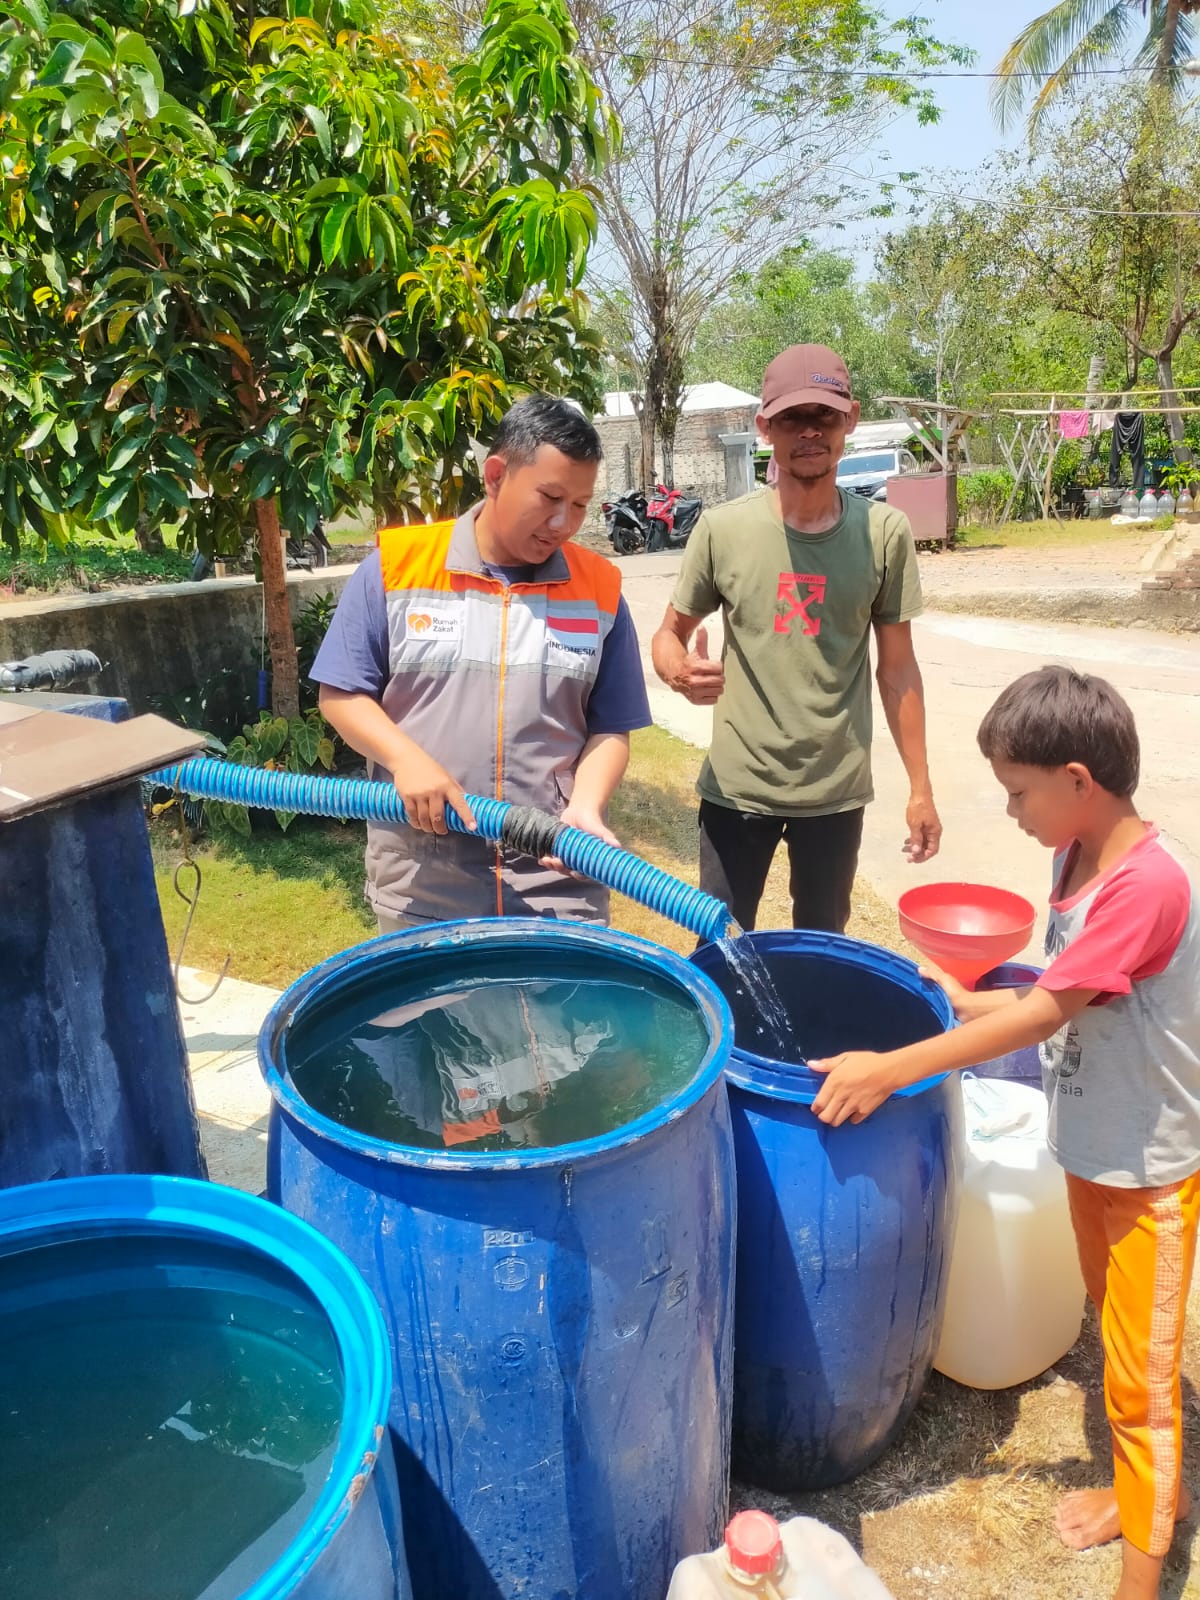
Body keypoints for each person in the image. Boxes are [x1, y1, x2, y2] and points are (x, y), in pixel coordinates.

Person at [812, 665, 1200, 1600]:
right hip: (1091, 1149)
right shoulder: (1078, 857)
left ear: (1078, 780)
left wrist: (893, 1067)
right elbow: (1051, 992)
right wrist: (968, 996)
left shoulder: (1145, 885)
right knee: (1116, 1337)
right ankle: (1147, 1490)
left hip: (1150, 1173)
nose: (1013, 812)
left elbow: (1044, 1018)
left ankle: (1139, 1581)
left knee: (1142, 1383)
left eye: (1019, 794)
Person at [311, 394, 652, 930]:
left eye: (582, 505)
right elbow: (342, 695)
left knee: (558, 1015)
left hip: (555, 877)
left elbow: (612, 728)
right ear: (495, 475)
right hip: (423, 872)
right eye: (550, 497)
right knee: (429, 1014)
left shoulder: (600, 589)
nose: (564, 522)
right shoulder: (396, 570)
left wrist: (586, 805)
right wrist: (406, 760)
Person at [651, 342, 940, 935]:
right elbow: (668, 633)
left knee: (822, 951)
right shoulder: (724, 530)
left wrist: (921, 787)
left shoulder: (884, 534)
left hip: (834, 793)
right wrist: (677, 670)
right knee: (721, 950)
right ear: (765, 428)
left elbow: (899, 671)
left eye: (825, 416)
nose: (810, 432)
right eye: (791, 418)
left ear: (850, 420)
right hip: (738, 788)